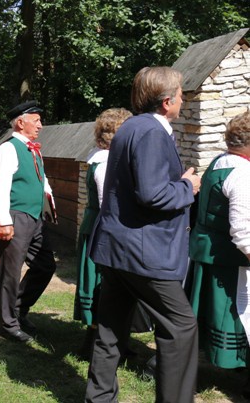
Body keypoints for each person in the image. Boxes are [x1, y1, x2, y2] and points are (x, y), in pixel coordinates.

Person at [85, 66, 201, 403]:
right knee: (181, 328)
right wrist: (186, 187)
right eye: (180, 95)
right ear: (167, 101)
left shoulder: (131, 127)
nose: (183, 100)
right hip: (143, 252)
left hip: (117, 249)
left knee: (110, 329)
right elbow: (152, 195)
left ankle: (99, 398)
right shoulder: (151, 131)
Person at [73, 108, 152, 357]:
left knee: (110, 286)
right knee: (103, 286)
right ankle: (93, 346)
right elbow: (109, 202)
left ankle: (113, 341)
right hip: (102, 232)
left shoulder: (103, 157)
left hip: (99, 228)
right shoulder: (105, 162)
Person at [188, 111, 250, 397]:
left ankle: (176, 365)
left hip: (206, 254)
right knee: (235, 316)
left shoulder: (218, 162)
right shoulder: (242, 173)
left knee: (200, 315)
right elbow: (242, 229)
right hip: (229, 261)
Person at [0, 100, 57, 343]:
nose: (40, 125)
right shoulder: (9, 148)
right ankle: (8, 324)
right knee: (10, 271)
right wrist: (3, 220)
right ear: (21, 122)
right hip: (16, 217)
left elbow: (43, 181)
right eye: (36, 120)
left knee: (46, 265)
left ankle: (18, 309)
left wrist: (49, 206)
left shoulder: (33, 148)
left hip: (35, 217)